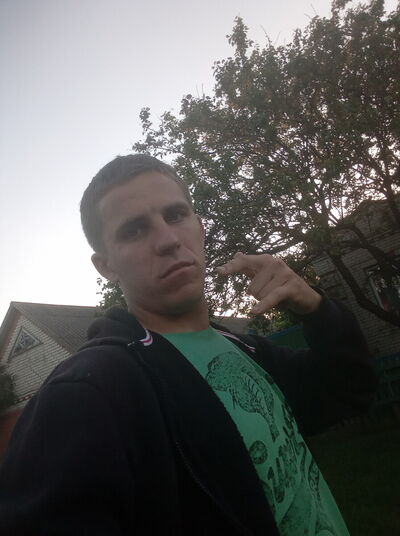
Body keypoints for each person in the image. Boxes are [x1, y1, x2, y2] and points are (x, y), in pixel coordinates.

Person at [0, 154, 376, 535]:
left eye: (176, 215)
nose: (168, 240)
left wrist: (316, 309)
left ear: (199, 228)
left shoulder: (246, 349)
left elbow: (351, 389)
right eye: (134, 230)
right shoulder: (90, 391)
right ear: (106, 266)